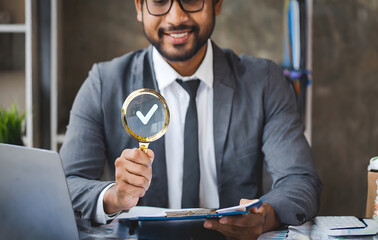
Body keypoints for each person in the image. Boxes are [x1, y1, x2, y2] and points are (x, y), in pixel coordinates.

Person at [60, 0, 322, 239]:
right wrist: (114, 197)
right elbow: (66, 184)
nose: (176, 17)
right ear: (139, 7)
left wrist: (269, 215)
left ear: (217, 4)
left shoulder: (264, 81)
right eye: (160, 1)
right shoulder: (103, 84)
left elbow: (299, 179)